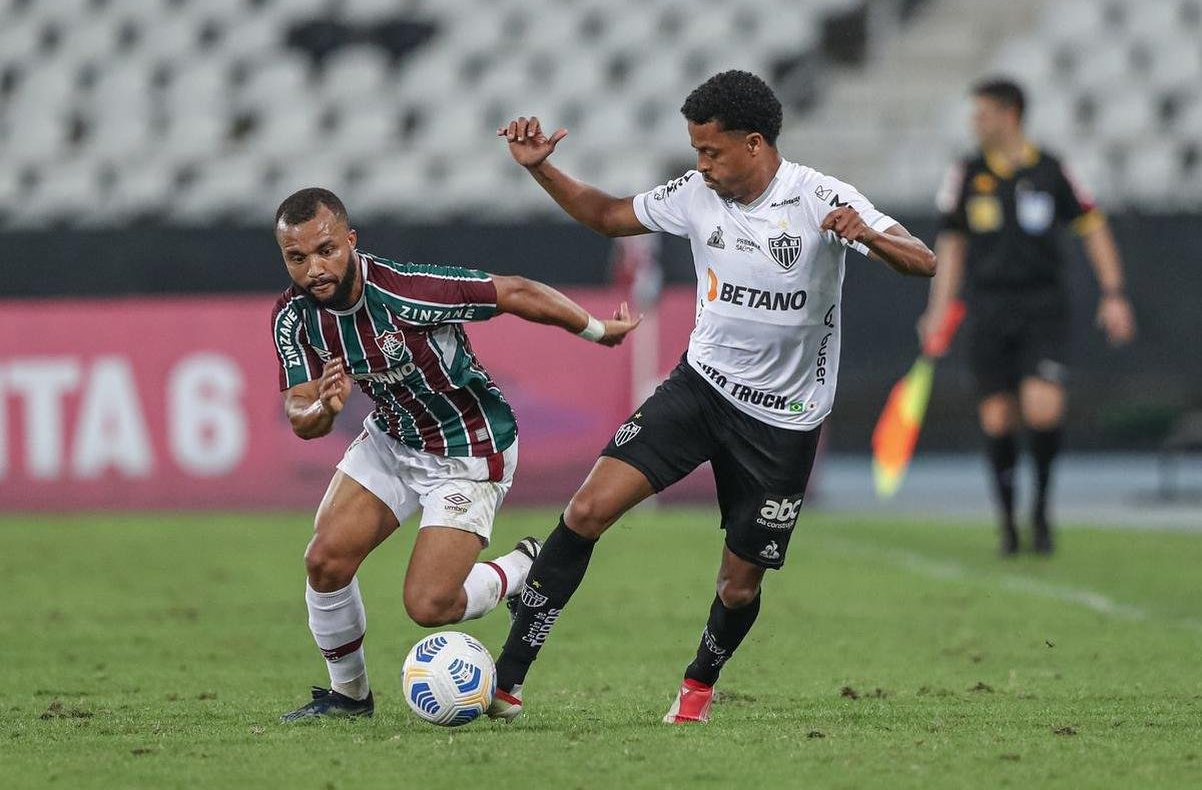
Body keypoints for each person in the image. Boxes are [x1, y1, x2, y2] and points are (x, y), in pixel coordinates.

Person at [484, 70, 935, 725]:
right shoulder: (696, 194)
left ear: (754, 144)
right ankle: (506, 682)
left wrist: (868, 235)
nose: (700, 164)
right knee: (585, 511)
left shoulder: (821, 198)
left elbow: (923, 260)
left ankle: (698, 685)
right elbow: (609, 217)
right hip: (699, 390)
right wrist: (542, 170)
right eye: (696, 151)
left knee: (739, 583)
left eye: (711, 151)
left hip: (783, 421)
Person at [271, 188, 640, 721]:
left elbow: (512, 292)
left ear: (351, 240)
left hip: (469, 448)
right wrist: (324, 411)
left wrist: (596, 329)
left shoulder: (409, 292)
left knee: (429, 606)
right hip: (394, 439)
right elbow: (300, 415)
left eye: (326, 250)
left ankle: (525, 566)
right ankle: (349, 698)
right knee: (324, 562)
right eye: (297, 258)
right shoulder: (293, 316)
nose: (315, 269)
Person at [920, 78, 1136, 556]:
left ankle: (1039, 510)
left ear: (1009, 113)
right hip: (989, 309)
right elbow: (952, 246)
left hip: (1043, 308)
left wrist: (1114, 294)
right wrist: (938, 309)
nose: (975, 124)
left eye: (982, 114)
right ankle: (1007, 523)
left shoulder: (1052, 169)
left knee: (1043, 407)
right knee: (998, 419)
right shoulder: (966, 172)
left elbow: (1094, 228)